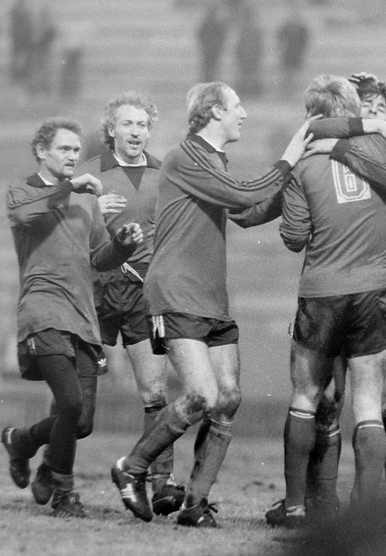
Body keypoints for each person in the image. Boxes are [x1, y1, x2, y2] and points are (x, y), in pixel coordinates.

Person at [109, 81, 313, 528]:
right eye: (237, 106)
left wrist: (296, 186)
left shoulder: (215, 160)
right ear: (216, 111)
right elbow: (243, 196)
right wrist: (290, 158)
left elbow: (247, 213)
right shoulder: (187, 155)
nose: (244, 114)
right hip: (177, 291)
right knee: (202, 395)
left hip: (211, 296)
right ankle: (132, 467)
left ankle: (195, 503)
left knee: (229, 398)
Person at [266, 74, 386, 527]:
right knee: (369, 405)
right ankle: (360, 513)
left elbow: (293, 237)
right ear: (351, 111)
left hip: (322, 292)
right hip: (375, 292)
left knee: (308, 397)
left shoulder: (307, 161)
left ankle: (295, 506)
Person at [0, 117, 144, 519]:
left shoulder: (86, 201)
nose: (72, 156)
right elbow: (26, 216)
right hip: (43, 311)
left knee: (80, 421)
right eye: (64, 149)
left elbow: (99, 257)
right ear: (41, 151)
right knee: (69, 401)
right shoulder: (23, 191)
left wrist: (122, 245)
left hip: (83, 317)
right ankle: (65, 493)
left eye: (76, 150)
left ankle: (21, 442)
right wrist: (70, 187)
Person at [76, 91, 185, 517]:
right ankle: (52, 470)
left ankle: (160, 481)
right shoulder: (88, 174)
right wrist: (90, 207)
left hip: (142, 290)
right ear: (112, 129)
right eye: (127, 124)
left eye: (142, 124)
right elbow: (61, 228)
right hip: (97, 289)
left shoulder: (164, 175)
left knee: (154, 391)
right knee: (77, 404)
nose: (136, 131)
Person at [276, 3, 311, 94]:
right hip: (288, 52)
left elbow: (305, 41)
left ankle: (293, 90)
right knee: (287, 72)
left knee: (294, 72)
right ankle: (286, 90)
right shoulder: (286, 26)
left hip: (296, 53)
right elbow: (280, 38)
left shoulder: (302, 28)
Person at [196, 1, 229, 83]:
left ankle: (209, 82)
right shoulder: (213, 24)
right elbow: (201, 35)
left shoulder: (212, 24)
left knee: (211, 69)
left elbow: (222, 36)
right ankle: (210, 82)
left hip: (212, 51)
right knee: (210, 69)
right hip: (211, 50)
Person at [9, 0, 33, 87]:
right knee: (18, 57)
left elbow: (28, 27)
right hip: (18, 39)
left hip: (23, 39)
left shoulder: (23, 14)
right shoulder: (17, 13)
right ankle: (17, 74)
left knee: (23, 57)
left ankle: (21, 74)